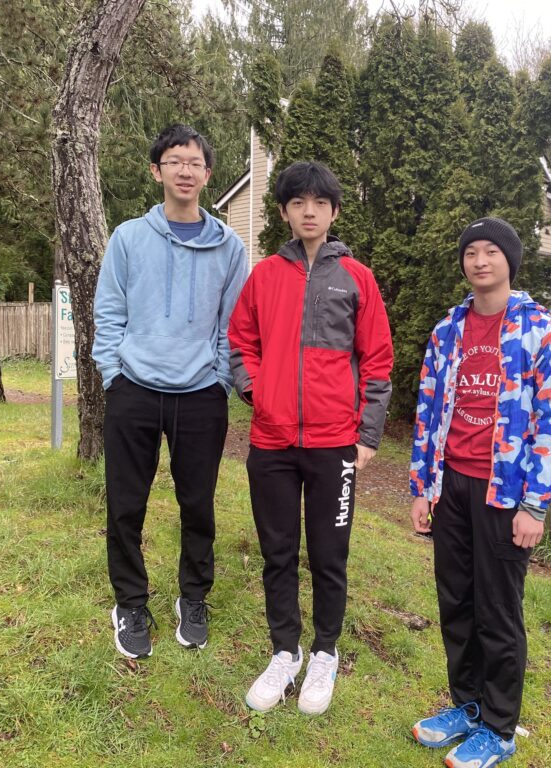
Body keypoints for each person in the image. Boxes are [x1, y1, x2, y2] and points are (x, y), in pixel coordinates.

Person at [229, 160, 394, 716]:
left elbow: (377, 360)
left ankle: (325, 651)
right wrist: (255, 390)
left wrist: (367, 435)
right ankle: (285, 651)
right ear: (283, 211)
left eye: (319, 203)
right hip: (271, 443)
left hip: (334, 444)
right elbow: (240, 341)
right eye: (298, 202)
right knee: (277, 552)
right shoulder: (264, 277)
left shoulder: (357, 279)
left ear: (334, 211)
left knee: (329, 555)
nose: (309, 211)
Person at [408, 217, 551, 767]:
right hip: (450, 486)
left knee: (497, 611)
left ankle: (499, 727)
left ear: (510, 261)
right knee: (456, 603)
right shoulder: (447, 331)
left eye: (491, 252)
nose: (480, 261)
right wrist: (421, 488)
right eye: (471, 252)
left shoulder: (538, 329)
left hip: (505, 492)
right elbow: (427, 411)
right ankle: (468, 705)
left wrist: (534, 505)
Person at [93, 124, 248, 659]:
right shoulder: (128, 238)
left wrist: (220, 381)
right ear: (157, 171)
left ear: (208, 174)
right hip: (133, 389)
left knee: (197, 505)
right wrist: (113, 375)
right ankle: (130, 604)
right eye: (175, 161)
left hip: (201, 394)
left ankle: (194, 597)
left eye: (195, 162)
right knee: (125, 505)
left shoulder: (230, 247)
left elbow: (233, 325)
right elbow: (109, 313)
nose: (185, 170)